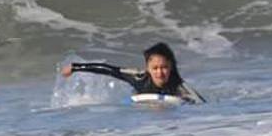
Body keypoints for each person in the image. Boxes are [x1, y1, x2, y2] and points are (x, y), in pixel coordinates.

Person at [61, 42, 206, 104]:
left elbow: (200, 103)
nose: (160, 72)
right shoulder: (138, 77)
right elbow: (108, 70)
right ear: (148, 68)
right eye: (155, 68)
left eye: (164, 67)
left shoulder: (179, 85)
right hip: (141, 109)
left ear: (171, 67)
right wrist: (75, 67)